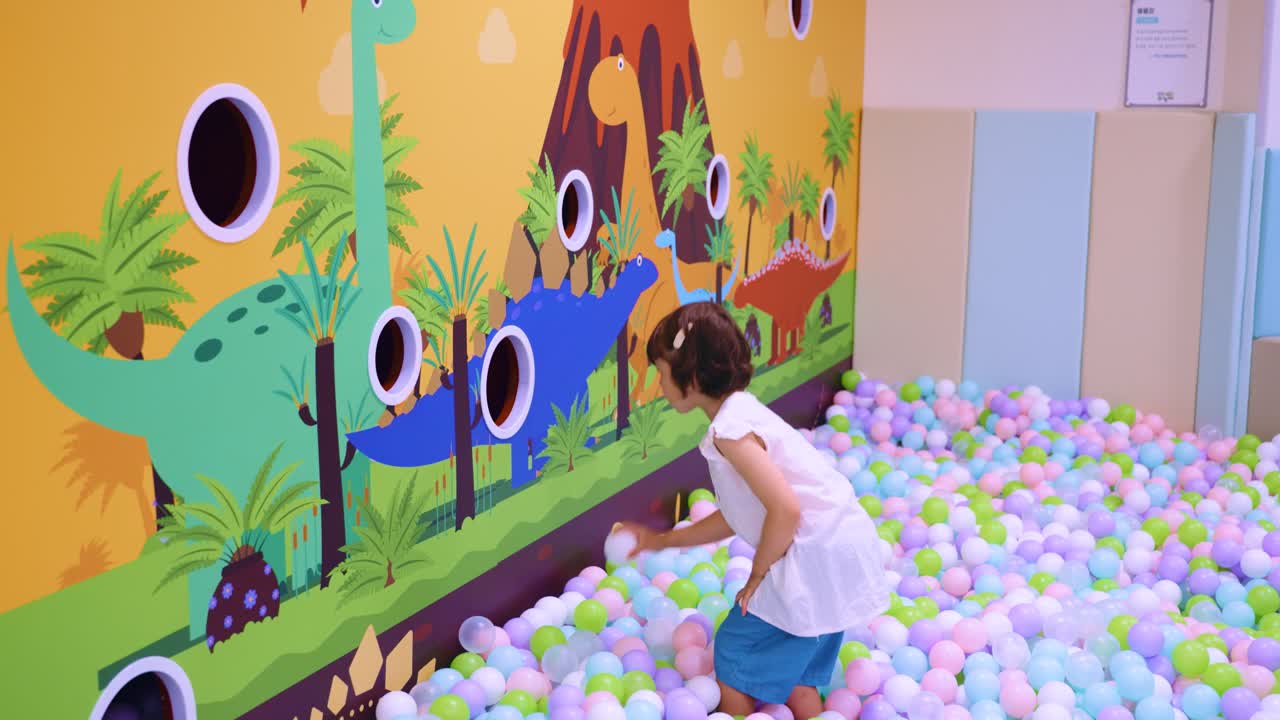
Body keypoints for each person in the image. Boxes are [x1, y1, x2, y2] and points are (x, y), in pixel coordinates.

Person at [617, 301, 890, 719]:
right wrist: (661, 540)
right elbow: (737, 514)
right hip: (838, 547)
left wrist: (758, 575)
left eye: (660, 370)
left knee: (734, 649)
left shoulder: (730, 432)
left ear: (689, 374)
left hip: (812, 553)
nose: (657, 383)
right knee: (802, 670)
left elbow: (785, 508)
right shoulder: (741, 413)